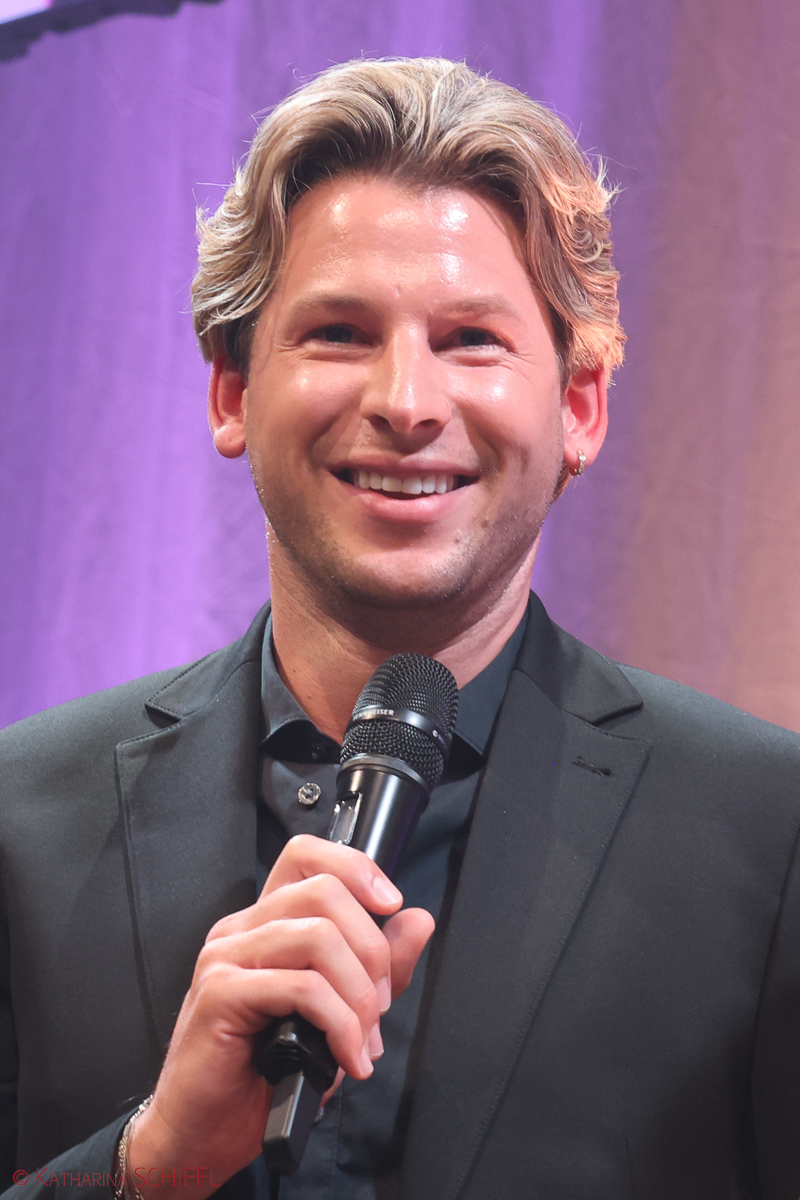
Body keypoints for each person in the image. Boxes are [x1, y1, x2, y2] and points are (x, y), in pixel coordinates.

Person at [1, 57, 799, 1200]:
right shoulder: (19, 823)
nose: (405, 402)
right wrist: (149, 1164)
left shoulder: (768, 838)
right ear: (230, 391)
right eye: (337, 332)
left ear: (578, 407)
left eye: (470, 339)